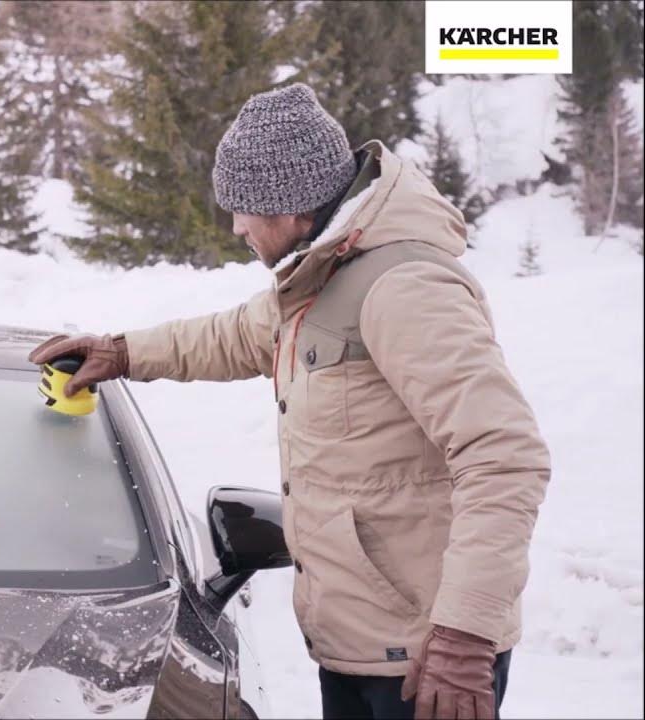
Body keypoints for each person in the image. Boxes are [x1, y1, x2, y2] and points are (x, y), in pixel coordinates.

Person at [29, 83, 550, 720]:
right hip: (360, 643)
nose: (237, 227)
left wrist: (465, 636)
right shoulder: (324, 275)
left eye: (244, 209)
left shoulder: (403, 286)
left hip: (427, 662)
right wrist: (123, 351)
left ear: (292, 205)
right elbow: (233, 335)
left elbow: (505, 457)